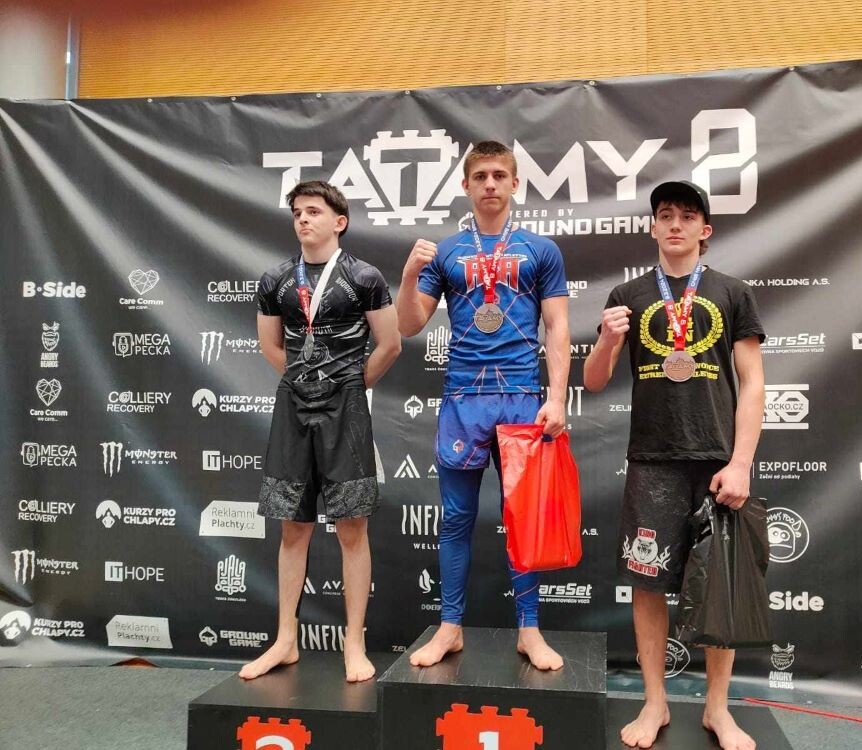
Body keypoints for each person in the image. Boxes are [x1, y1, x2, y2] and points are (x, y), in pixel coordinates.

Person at [583, 180, 765, 750]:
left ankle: (717, 709)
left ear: (705, 230)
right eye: (666, 215)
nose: (676, 224)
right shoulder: (628, 294)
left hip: (716, 461)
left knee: (721, 587)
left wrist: (741, 462)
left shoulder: (732, 292)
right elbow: (593, 381)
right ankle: (655, 701)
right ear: (653, 227)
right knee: (647, 586)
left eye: (688, 216)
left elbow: (754, 382)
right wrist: (607, 342)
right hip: (652, 461)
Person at [395, 140, 570, 671]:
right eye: (480, 176)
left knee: (524, 519)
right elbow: (409, 325)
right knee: (456, 518)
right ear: (466, 185)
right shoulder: (447, 251)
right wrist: (409, 275)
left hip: (522, 397)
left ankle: (529, 630)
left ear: (515, 183)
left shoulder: (541, 249)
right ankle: (449, 628)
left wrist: (557, 396)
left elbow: (558, 326)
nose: (490, 184)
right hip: (463, 398)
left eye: (499, 175)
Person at [240, 180, 401, 682]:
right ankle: (285, 640)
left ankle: (354, 643)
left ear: (339, 221)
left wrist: (349, 386)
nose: (303, 219)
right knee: (293, 526)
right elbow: (270, 346)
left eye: (313, 211)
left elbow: (390, 343)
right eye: (297, 213)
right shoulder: (275, 279)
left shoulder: (364, 276)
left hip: (346, 409)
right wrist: (304, 383)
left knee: (352, 527)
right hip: (293, 407)